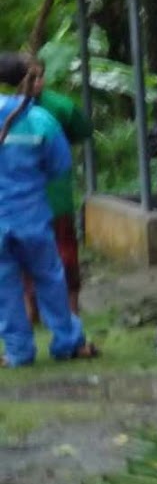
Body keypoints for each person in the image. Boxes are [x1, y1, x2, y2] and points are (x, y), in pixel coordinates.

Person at [0, 52, 93, 367]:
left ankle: (18, 352)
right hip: (33, 216)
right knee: (50, 279)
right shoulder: (41, 120)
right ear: (27, 81)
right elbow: (59, 166)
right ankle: (67, 341)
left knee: (4, 286)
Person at [19, 58, 91, 320]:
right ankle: (32, 309)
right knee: (27, 254)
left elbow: (83, 129)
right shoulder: (20, 111)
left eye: (39, 77)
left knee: (64, 251)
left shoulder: (60, 107)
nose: (36, 83)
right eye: (31, 77)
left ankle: (71, 307)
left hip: (52, 197)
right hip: (27, 199)